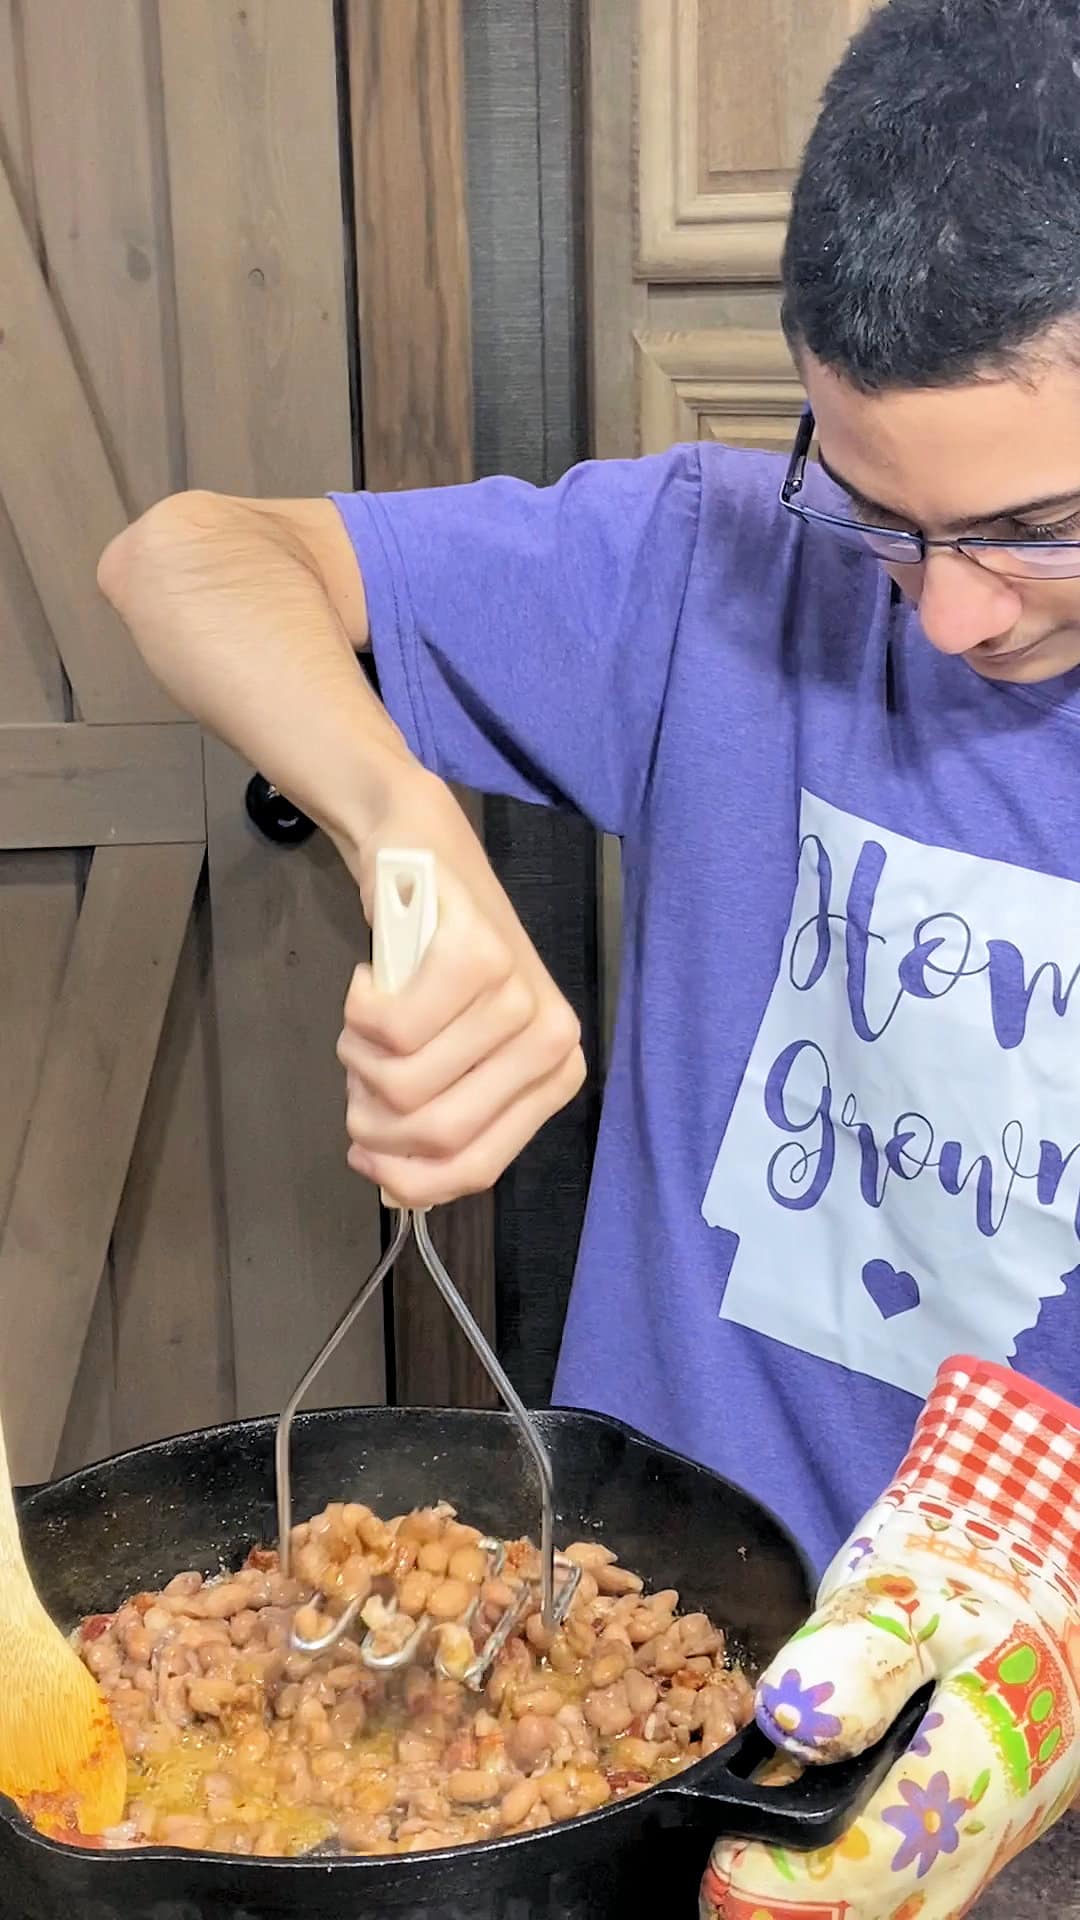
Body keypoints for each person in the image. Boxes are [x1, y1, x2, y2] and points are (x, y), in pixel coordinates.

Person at [98, 0, 1080, 1908]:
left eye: (1036, 528)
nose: (945, 613)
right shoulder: (720, 562)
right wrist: (410, 833)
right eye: (879, 515)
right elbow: (186, 556)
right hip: (647, 1704)